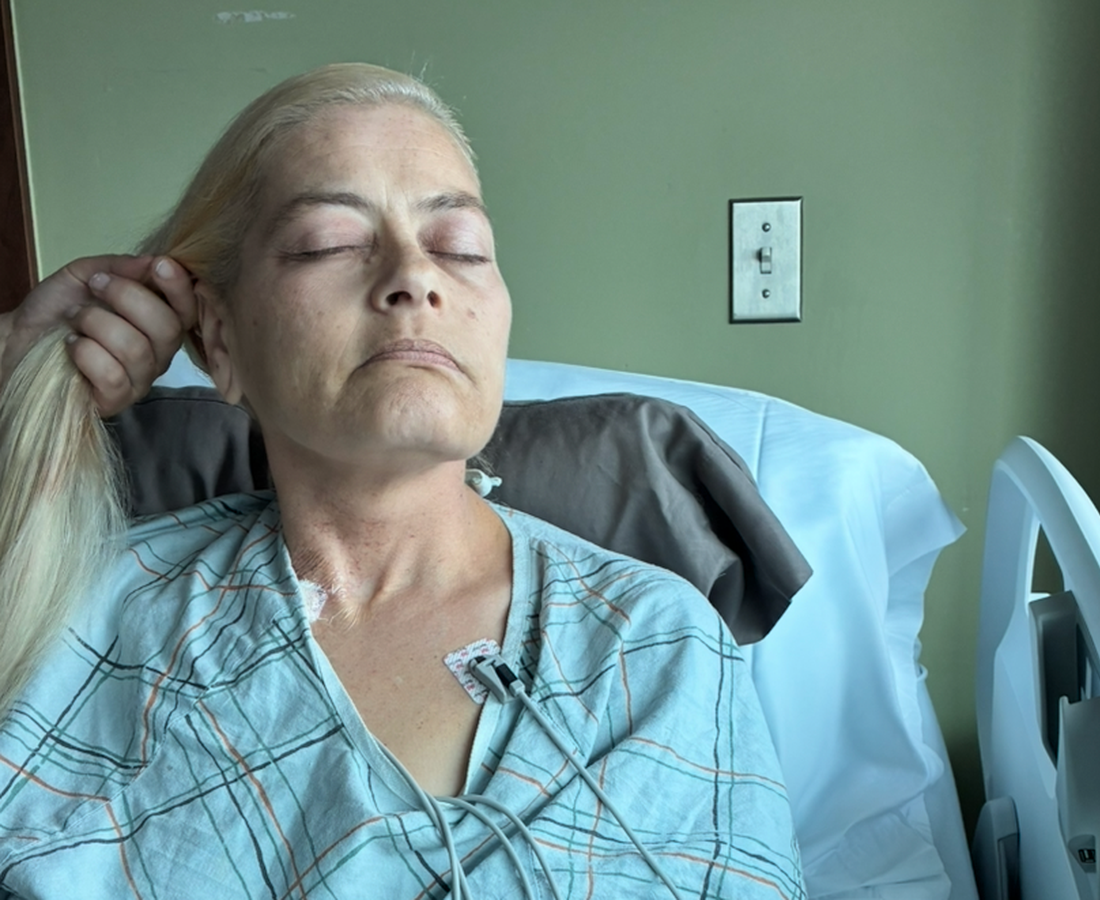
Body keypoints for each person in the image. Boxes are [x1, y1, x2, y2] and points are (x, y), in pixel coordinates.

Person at [0, 64, 803, 898]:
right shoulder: (82, 610)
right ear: (222, 338)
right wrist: (9, 365)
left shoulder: (656, 645)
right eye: (330, 244)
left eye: (461, 248)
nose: (416, 275)